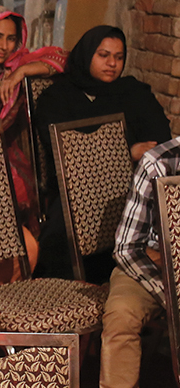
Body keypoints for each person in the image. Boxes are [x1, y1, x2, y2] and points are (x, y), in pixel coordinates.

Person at [34, 25, 170, 282]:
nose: (112, 63)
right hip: (75, 195)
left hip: (130, 192)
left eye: (119, 57)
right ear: (87, 55)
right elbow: (64, 154)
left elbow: (159, 140)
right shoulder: (58, 97)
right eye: (103, 55)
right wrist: (126, 152)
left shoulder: (132, 92)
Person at [100, 136, 180, 388]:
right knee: (121, 314)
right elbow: (128, 248)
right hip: (148, 267)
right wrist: (171, 295)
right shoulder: (159, 162)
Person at [0, 6, 67, 213]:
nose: (4, 46)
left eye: (11, 38)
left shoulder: (15, 65)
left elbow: (65, 58)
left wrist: (21, 72)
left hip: (2, 158)